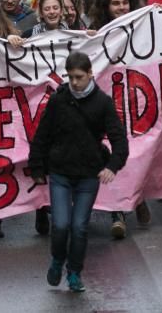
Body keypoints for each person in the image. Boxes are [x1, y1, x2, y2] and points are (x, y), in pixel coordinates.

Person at [28, 51, 128, 294]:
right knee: (61, 225)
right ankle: (57, 259)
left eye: (79, 77)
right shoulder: (58, 100)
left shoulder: (102, 103)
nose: (74, 82)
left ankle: (74, 272)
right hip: (60, 172)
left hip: (88, 175)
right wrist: (37, 168)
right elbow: (42, 135)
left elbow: (119, 139)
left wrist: (112, 166)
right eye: (70, 77)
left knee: (79, 226)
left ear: (90, 74)